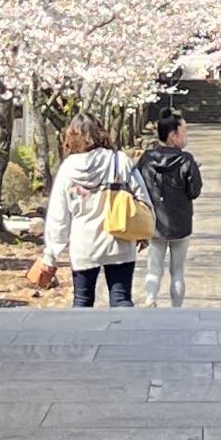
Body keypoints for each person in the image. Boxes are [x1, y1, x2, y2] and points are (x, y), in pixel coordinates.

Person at [41, 117, 140, 308]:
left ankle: (81, 338)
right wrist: (144, 231)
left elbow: (58, 216)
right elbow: (142, 196)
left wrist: (51, 253)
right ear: (101, 133)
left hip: (83, 243)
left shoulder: (68, 169)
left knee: (82, 301)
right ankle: (126, 336)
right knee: (121, 299)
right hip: (119, 238)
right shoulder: (119, 160)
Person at [137, 113, 203, 307]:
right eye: (184, 131)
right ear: (173, 135)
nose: (186, 135)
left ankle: (150, 299)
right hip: (180, 223)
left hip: (154, 222)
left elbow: (139, 187)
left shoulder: (147, 159)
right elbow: (194, 191)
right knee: (178, 270)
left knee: (154, 266)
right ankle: (176, 308)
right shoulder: (186, 160)